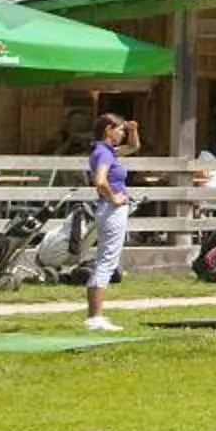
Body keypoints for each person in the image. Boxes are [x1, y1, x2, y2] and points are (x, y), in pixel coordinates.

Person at [83, 112, 133, 331]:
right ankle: (95, 317)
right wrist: (113, 197)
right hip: (111, 208)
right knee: (107, 261)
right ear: (108, 130)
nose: (122, 134)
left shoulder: (107, 151)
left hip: (110, 209)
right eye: (120, 129)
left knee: (107, 259)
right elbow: (100, 181)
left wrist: (134, 130)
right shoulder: (104, 153)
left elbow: (133, 147)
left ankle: (95, 316)